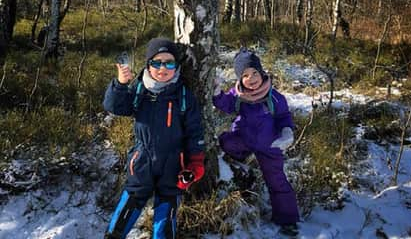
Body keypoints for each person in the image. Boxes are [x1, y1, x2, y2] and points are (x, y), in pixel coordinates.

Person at [104, 38, 205, 239]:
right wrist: (121, 84)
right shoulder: (140, 89)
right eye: (156, 62)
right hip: (142, 160)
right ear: (148, 65)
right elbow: (114, 107)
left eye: (169, 63)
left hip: (173, 163)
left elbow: (194, 132)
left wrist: (195, 163)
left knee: (166, 212)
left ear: (176, 66)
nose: (162, 68)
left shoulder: (183, 96)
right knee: (131, 201)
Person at [213, 48, 300, 236]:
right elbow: (225, 104)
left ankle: (287, 219)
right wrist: (217, 92)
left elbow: (284, 117)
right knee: (225, 142)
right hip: (244, 138)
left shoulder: (274, 97)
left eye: (254, 73)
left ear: (261, 73)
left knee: (276, 179)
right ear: (239, 79)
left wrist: (286, 132)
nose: (251, 78)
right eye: (245, 75)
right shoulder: (238, 95)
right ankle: (241, 160)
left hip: (270, 145)